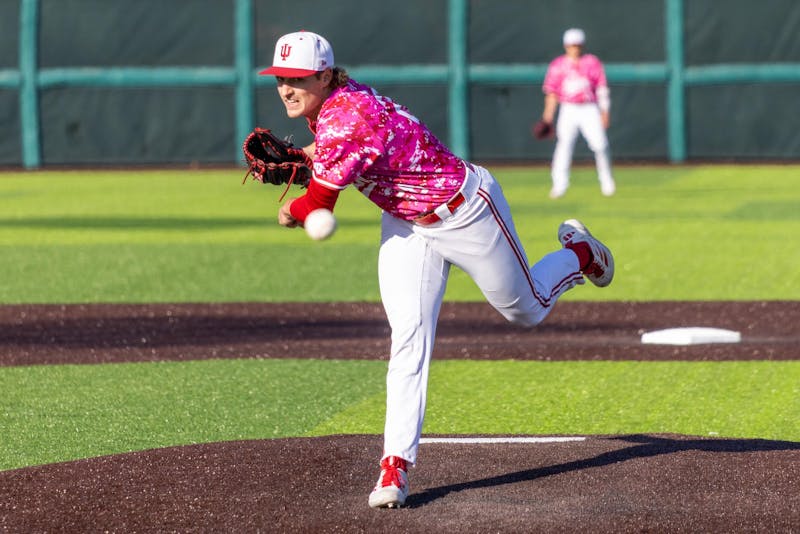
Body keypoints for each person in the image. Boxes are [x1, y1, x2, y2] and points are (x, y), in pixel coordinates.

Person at [261, 30, 614, 509]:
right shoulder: (337, 102)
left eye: (297, 77)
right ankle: (395, 466)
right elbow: (350, 154)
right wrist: (306, 159)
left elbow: (318, 202)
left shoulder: (345, 117)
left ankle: (580, 255)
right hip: (406, 224)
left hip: (466, 210)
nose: (285, 87)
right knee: (408, 336)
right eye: (280, 77)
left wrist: (290, 210)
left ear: (324, 75)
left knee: (525, 310)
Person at [541, 28, 616, 198]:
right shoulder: (558, 65)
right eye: (571, 45)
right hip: (568, 108)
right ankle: (559, 184)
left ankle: (607, 181)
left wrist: (605, 111)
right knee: (563, 146)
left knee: (600, 144)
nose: (574, 48)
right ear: (566, 46)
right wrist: (547, 117)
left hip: (589, 108)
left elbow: (602, 88)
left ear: (582, 45)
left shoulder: (592, 62)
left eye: (577, 45)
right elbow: (552, 93)